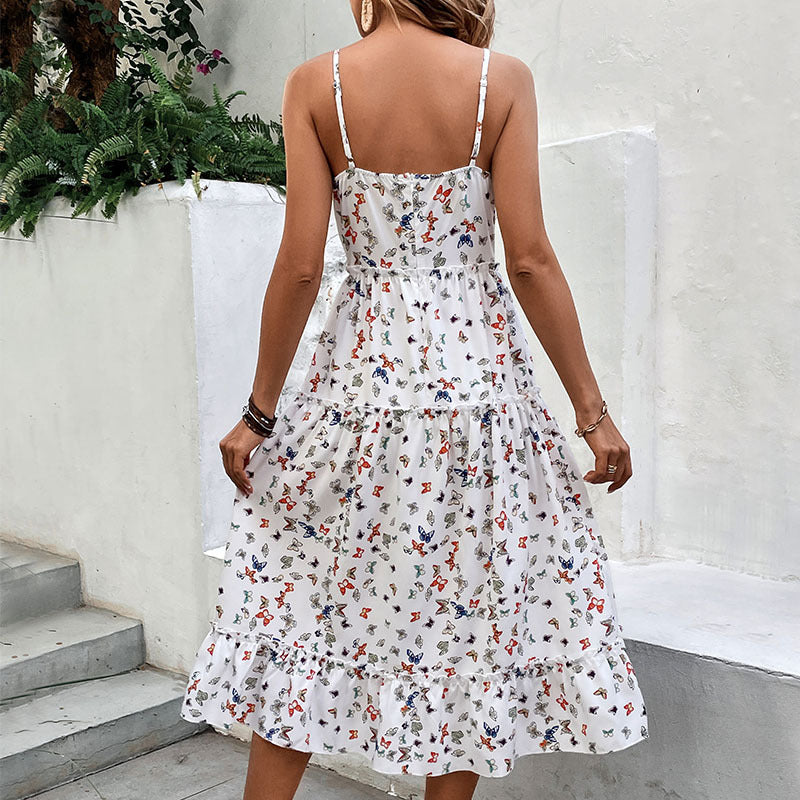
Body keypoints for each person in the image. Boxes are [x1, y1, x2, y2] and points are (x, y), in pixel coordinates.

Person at [180, 2, 650, 799]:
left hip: (356, 391)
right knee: (465, 624)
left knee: (307, 612)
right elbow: (529, 260)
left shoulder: (316, 85)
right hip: (479, 399)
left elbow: (301, 265)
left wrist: (259, 413)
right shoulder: (500, 81)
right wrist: (592, 415)